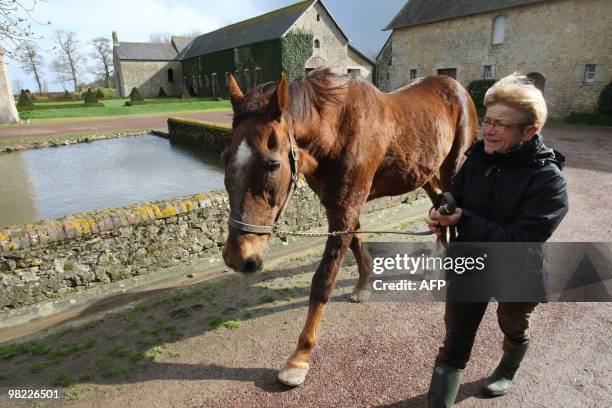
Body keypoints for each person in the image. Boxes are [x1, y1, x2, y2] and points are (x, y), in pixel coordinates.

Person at [424, 73, 569, 407]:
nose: (487, 130)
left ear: (529, 131)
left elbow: (520, 239)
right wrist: (442, 209)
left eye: (500, 125)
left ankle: (508, 366)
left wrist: (465, 219)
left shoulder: (549, 182)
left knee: (513, 325)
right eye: (487, 120)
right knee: (455, 338)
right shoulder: (477, 157)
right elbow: (455, 193)